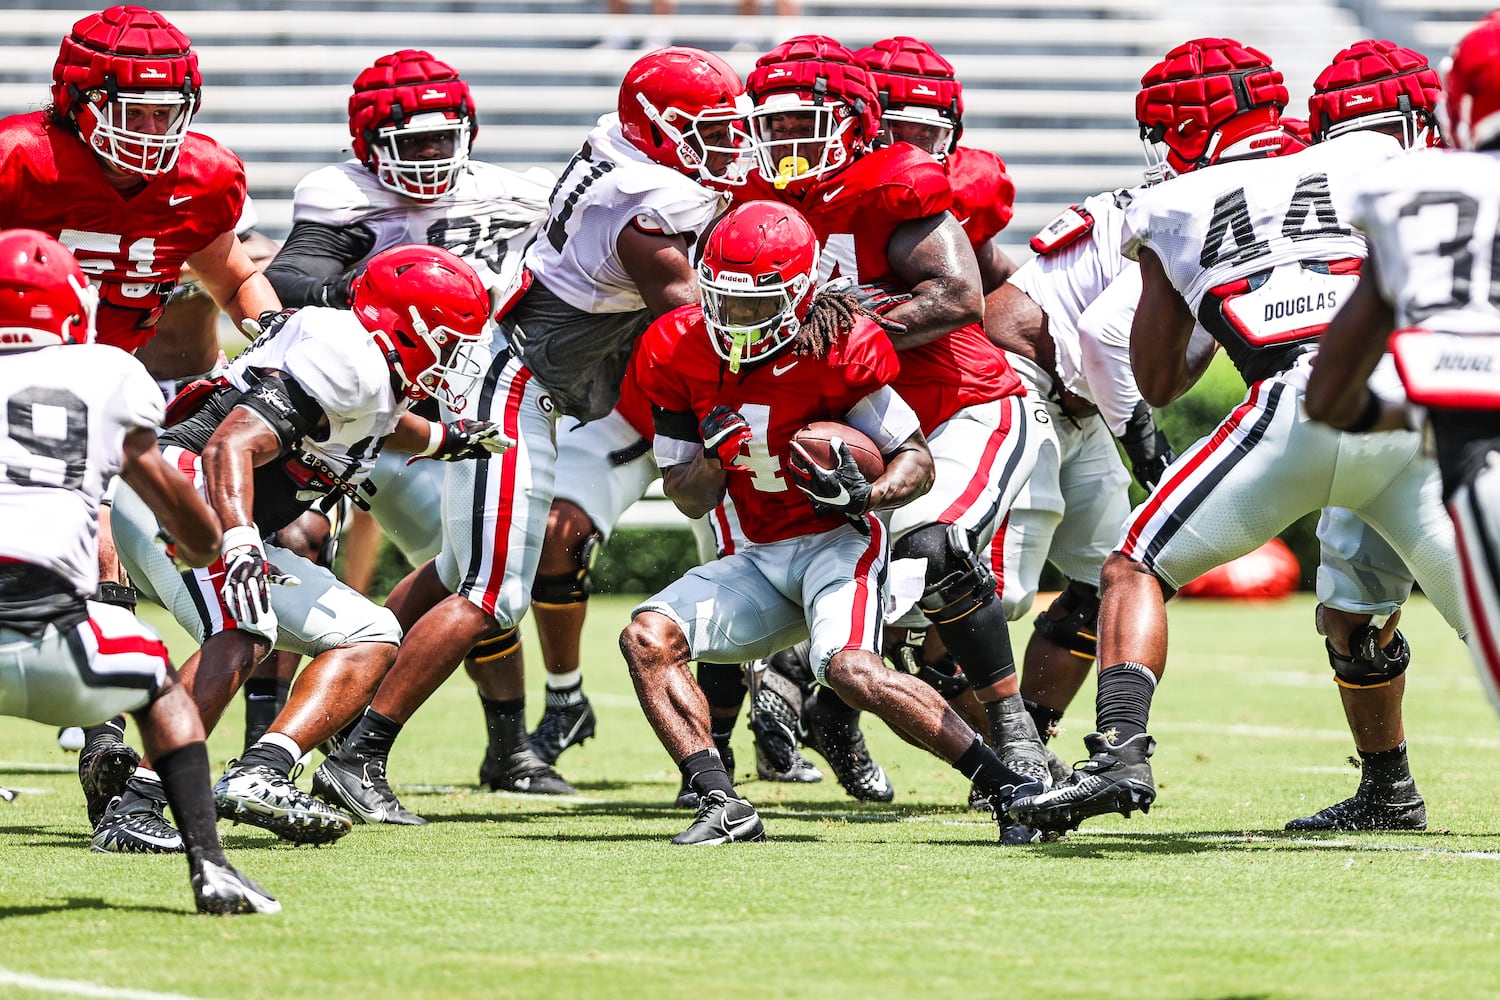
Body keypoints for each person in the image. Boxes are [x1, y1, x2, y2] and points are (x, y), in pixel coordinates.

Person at [1009, 37, 1467, 835]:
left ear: (1183, 131)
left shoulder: (1171, 203)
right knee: (1439, 611)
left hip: (1295, 399)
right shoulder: (1378, 158)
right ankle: (1388, 791)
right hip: (1403, 410)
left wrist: (1205, 294)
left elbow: (1157, 380)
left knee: (1136, 562)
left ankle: (1119, 752)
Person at [314, 47, 751, 823]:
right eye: (702, 130)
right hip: (512, 383)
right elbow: (691, 323)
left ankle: (340, 703)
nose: (722, 145)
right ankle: (359, 756)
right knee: (490, 594)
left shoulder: (628, 158)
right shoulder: (645, 199)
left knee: (456, 570)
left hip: (514, 372)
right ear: (652, 130)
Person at [622, 199, 1043, 843]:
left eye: (756, 302)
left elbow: (916, 461)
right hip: (760, 554)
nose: (737, 317)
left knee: (851, 671)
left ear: (800, 295)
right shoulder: (675, 346)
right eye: (725, 298)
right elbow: (687, 495)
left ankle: (1007, 788)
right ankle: (720, 801)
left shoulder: (839, 346)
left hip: (836, 545)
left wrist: (867, 496)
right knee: (647, 638)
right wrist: (715, 457)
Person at [738, 36, 1050, 818]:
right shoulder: (757, 203)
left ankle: (1017, 742)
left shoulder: (894, 183)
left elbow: (956, 297)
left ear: (854, 123)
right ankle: (823, 708)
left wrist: (833, 326)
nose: (784, 144)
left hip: (966, 409)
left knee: (927, 547)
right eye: (771, 126)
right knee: (829, 571)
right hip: (870, 424)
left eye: (804, 125)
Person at [109, 244, 506, 846]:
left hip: (209, 503)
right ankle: (135, 806)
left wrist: (451, 440)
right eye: (449, 341)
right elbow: (230, 446)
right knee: (242, 631)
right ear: (406, 327)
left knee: (371, 633)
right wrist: (241, 539)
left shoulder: (370, 370)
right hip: (179, 493)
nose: (454, 357)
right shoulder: (350, 359)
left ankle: (263, 769)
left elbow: (383, 423)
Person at [0, 3, 284, 835]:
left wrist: (271, 335)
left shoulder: (199, 178)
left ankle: (103, 739)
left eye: (169, 112)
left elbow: (233, 274)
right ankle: (102, 734)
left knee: (95, 535)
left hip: (108, 385)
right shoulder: (20, 162)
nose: (155, 131)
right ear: (80, 101)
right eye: (137, 113)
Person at [260, 49, 563, 799]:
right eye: (411, 143)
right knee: (310, 557)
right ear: (368, 144)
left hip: (463, 408)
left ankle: (507, 746)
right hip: (371, 413)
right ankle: (276, 742)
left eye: (441, 138)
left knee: (470, 571)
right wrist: (379, 285)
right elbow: (293, 276)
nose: (431, 158)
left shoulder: (511, 193)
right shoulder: (341, 193)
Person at [0, 229, 275, 913]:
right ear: (70, 306)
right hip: (52, 635)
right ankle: (210, 867)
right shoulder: (106, 372)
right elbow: (170, 503)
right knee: (159, 680)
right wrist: (207, 541)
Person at [1305, 16, 1500, 719]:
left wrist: (1404, 409)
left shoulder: (1412, 196)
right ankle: (1386, 791)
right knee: (1352, 611)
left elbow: (1328, 393)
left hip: (1454, 436)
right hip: (1431, 426)